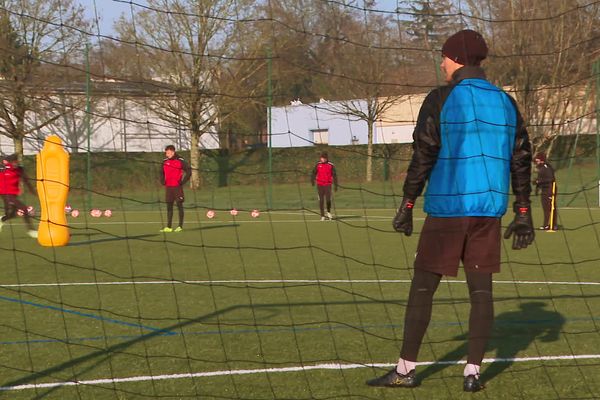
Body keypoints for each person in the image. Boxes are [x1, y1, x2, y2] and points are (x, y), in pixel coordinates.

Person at [366, 29, 534, 392]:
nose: (441, 63)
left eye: (444, 57)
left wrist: (408, 203)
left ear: (456, 58)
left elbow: (423, 152)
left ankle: (405, 370)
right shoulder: (505, 101)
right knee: (481, 292)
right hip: (488, 212)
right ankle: (472, 373)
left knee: (423, 288)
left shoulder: (442, 97)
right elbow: (520, 157)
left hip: (448, 208)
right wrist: (523, 211)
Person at [0, 154, 37, 238]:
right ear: (10, 162)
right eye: (13, 161)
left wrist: (34, 192)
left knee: (12, 214)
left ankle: (2, 219)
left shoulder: (20, 169)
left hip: (13, 194)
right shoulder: (3, 169)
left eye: (16, 161)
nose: (15, 163)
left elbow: (26, 182)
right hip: (5, 194)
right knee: (24, 208)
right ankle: (31, 230)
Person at [159, 145, 191, 232]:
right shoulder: (164, 161)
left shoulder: (180, 161)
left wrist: (183, 181)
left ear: (173, 152)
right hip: (168, 188)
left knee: (179, 205)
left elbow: (189, 171)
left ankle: (180, 226)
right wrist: (162, 181)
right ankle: (168, 227)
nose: (167, 154)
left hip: (177, 188)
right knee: (169, 207)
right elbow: (161, 172)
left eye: (168, 153)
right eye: (166, 153)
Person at [311, 151, 338, 220]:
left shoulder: (331, 165)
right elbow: (314, 173)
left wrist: (335, 185)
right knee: (321, 200)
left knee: (328, 200)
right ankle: (322, 216)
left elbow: (334, 176)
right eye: (321, 158)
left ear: (326, 158)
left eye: (323, 158)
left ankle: (328, 212)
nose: (321, 159)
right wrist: (312, 180)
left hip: (328, 185)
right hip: (320, 185)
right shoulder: (318, 165)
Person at [534, 153, 557, 231]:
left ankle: (551, 225)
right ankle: (547, 225)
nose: (536, 161)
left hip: (549, 190)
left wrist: (539, 181)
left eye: (537, 160)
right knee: (546, 208)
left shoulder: (546, 167)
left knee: (550, 208)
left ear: (541, 160)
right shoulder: (541, 168)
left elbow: (550, 179)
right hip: (545, 190)